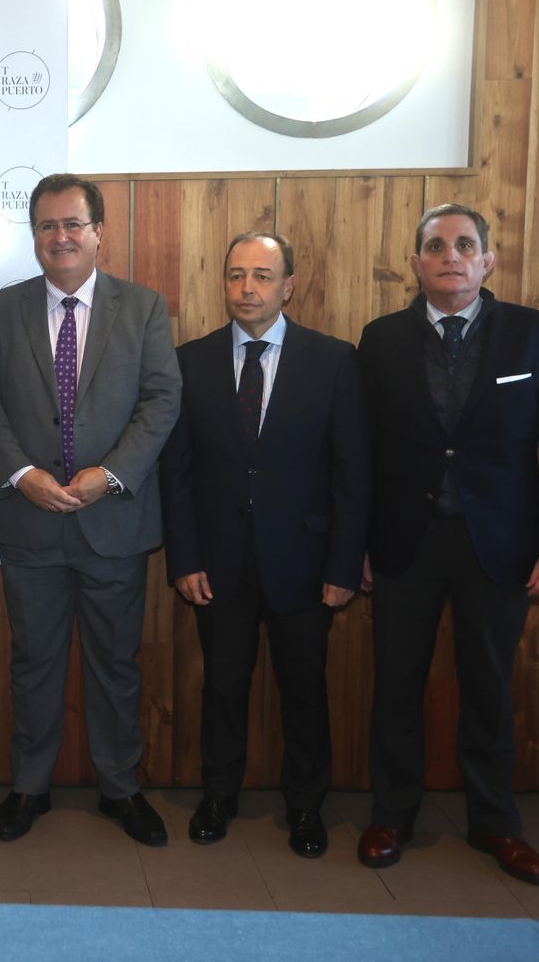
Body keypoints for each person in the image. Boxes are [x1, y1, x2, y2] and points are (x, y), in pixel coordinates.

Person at [355, 204, 539, 886]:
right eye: (435, 245)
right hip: (404, 543)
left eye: (464, 245)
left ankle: (496, 824)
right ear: (417, 263)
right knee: (395, 686)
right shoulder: (381, 339)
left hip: (501, 546)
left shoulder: (534, 335)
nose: (450, 255)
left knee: (489, 688)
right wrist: (354, 545)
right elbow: (362, 454)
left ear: (486, 260)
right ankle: (392, 813)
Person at [0, 173, 181, 844]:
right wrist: (22, 473)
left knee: (116, 663)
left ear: (99, 232)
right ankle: (29, 787)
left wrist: (110, 475)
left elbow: (161, 399)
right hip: (30, 521)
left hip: (112, 522)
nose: (61, 237)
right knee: (33, 661)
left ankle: (121, 787)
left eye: (73, 224)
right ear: (34, 236)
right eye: (47, 226)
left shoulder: (142, 308)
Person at [160, 231, 369, 858]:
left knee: (304, 687)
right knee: (222, 684)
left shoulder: (333, 360)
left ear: (288, 285)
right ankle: (218, 794)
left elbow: (351, 472)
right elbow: (178, 471)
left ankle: (306, 806)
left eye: (261, 275)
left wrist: (342, 562)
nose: (246, 288)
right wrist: (185, 557)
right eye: (235, 275)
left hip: (305, 563)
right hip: (217, 562)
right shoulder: (190, 360)